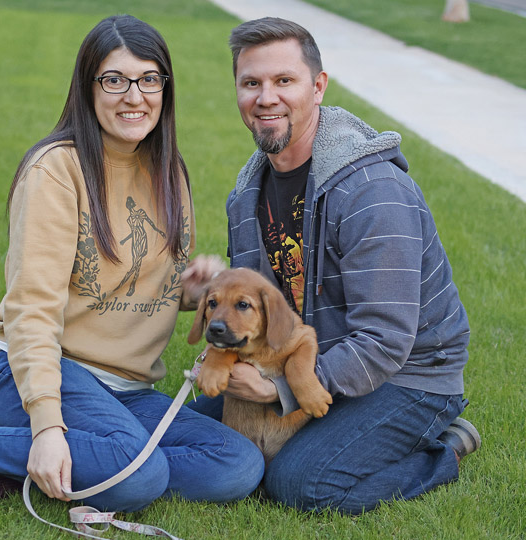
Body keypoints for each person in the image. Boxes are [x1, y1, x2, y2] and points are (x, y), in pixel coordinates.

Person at [0, 14, 264, 512]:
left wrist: (197, 289)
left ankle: (28, 461)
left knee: (236, 464)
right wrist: (45, 425)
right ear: (87, 88)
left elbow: (144, 289)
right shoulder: (57, 171)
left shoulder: (169, 170)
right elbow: (32, 309)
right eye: (115, 80)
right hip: (44, 373)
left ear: (165, 90)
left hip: (127, 390)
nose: (135, 96)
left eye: (149, 79)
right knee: (138, 477)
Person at [189, 17, 480, 515]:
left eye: (285, 81)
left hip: (408, 375)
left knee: (299, 483)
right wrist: (205, 297)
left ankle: (446, 445)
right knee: (193, 436)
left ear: (318, 86)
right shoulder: (246, 194)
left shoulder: (372, 193)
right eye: (251, 83)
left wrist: (278, 388)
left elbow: (387, 340)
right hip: (306, 360)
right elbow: (258, 312)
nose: (266, 98)